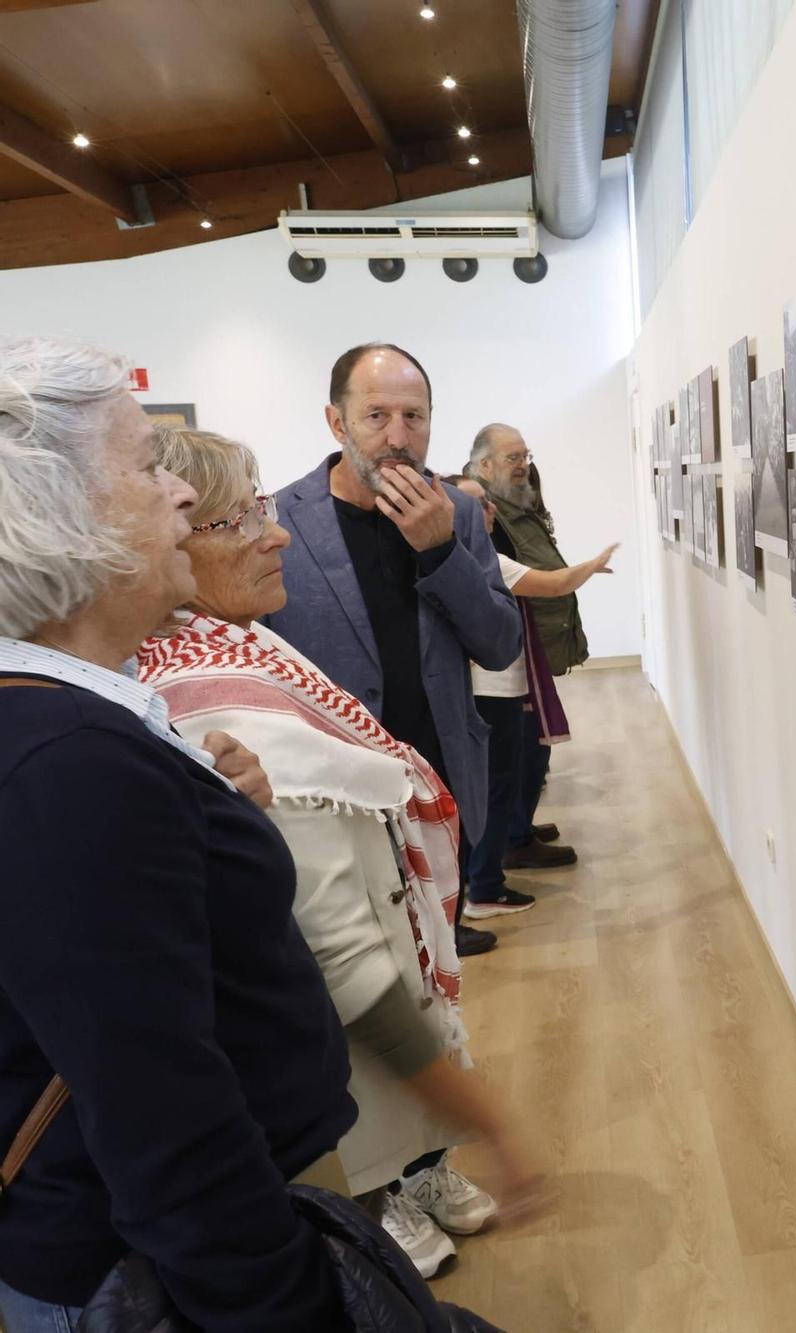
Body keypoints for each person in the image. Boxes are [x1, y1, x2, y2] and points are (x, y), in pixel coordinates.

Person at [0, 338, 356, 1330]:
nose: (184, 496)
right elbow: (163, 1115)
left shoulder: (74, 730)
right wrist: (288, 1307)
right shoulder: (66, 761)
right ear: (55, 513)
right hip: (142, 1275)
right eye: (147, 463)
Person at [138, 428, 545, 1278]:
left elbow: (496, 636)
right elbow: (343, 956)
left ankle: (417, 1166)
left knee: (404, 1066)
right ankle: (375, 1191)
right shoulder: (217, 706)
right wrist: (497, 1121)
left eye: (263, 507)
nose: (275, 529)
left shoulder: (236, 634)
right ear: (163, 546)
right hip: (340, 1007)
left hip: (390, 925)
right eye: (238, 518)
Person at [265, 344, 522, 960]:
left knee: (439, 964)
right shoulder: (280, 520)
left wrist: (440, 553)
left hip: (440, 779)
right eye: (376, 416)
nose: (398, 437)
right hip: (332, 793)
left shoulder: (457, 514)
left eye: (415, 417)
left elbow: (499, 644)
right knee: (358, 973)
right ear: (337, 422)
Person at [448, 475, 617, 919]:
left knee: (502, 783)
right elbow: (556, 584)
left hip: (494, 689)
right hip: (492, 692)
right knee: (496, 789)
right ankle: (484, 887)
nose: (490, 510)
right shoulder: (483, 562)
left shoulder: (471, 559)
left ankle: (481, 880)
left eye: (487, 501)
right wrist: (592, 564)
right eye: (478, 504)